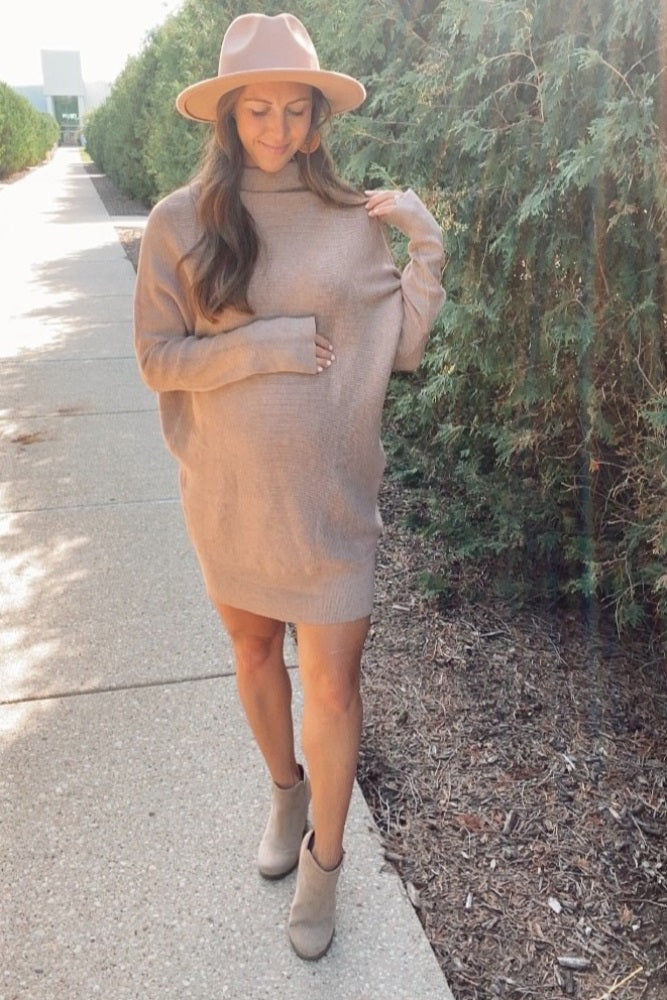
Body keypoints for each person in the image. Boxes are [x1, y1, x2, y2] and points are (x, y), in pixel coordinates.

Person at [133, 11, 445, 961]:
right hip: (229, 494)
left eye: (295, 109)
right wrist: (264, 346)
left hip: (331, 503)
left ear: (316, 119)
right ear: (228, 117)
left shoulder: (352, 220)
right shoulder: (180, 222)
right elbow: (158, 359)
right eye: (257, 109)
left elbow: (398, 348)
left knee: (337, 689)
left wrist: (426, 249)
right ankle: (284, 793)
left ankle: (325, 862)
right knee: (254, 649)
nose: (276, 128)